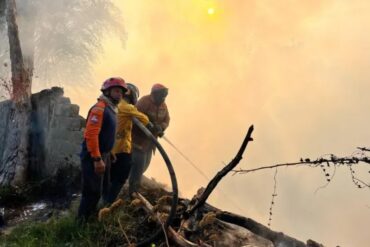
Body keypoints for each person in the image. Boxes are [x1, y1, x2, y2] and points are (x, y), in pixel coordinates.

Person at [77, 77, 127, 221]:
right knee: (91, 192)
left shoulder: (111, 108)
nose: (119, 95)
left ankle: (93, 219)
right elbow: (91, 135)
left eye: (121, 92)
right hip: (93, 156)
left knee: (102, 189)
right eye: (116, 91)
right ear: (107, 91)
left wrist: (109, 152)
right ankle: (81, 224)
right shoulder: (100, 108)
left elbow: (105, 134)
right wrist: (97, 159)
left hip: (103, 154)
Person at [104, 83, 150, 204]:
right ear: (133, 95)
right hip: (121, 149)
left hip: (109, 147)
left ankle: (103, 201)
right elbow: (145, 119)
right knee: (120, 178)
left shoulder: (111, 105)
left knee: (109, 177)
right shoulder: (127, 108)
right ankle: (108, 203)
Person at [129, 83, 170, 195]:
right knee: (138, 167)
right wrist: (147, 124)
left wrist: (161, 127)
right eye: (161, 95)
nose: (163, 98)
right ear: (154, 94)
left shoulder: (163, 105)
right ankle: (131, 191)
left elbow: (167, 119)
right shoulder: (144, 101)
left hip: (150, 144)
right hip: (138, 142)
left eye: (164, 96)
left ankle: (132, 186)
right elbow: (134, 116)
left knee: (144, 166)